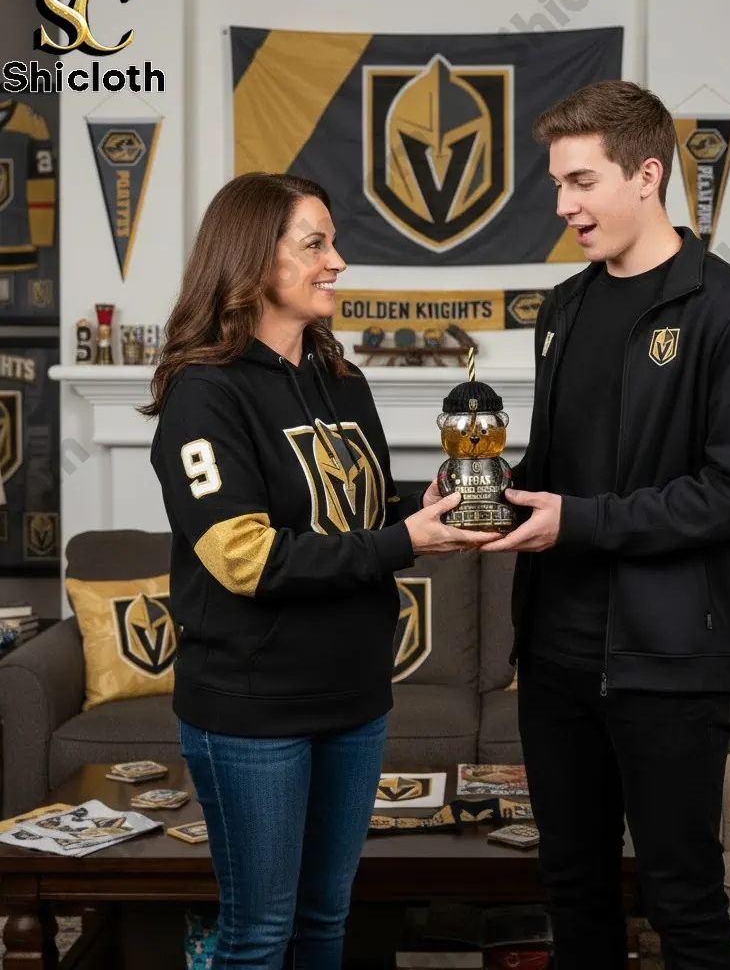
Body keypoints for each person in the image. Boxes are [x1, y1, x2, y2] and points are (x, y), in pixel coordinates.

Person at [143, 171, 499, 970]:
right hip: (253, 708)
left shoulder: (342, 379)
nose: (337, 261)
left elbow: (362, 513)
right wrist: (405, 541)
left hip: (356, 698)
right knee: (259, 934)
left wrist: (428, 505)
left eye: (333, 243)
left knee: (327, 921)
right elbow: (245, 558)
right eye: (315, 245)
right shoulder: (205, 395)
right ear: (252, 259)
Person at [481, 80, 730, 969]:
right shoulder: (563, 308)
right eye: (558, 184)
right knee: (572, 888)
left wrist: (577, 522)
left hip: (671, 660)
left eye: (581, 182)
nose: (563, 206)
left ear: (647, 175)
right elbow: (562, 464)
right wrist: (490, 490)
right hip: (554, 656)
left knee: (680, 896)